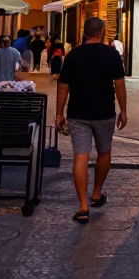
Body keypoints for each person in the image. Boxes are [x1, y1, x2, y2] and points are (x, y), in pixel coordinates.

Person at [56, 15, 127, 224]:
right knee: (104, 152)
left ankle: (83, 206)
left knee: (81, 156)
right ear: (102, 31)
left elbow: (63, 87)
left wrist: (59, 113)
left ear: (85, 33)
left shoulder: (73, 55)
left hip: (78, 113)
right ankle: (96, 193)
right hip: (104, 112)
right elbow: (120, 85)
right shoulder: (112, 54)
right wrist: (123, 110)